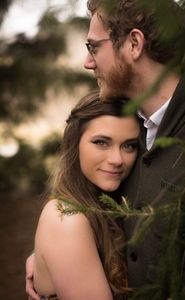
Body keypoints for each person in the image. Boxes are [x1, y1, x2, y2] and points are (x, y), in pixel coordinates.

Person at [26, 0, 185, 299]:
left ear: (134, 44)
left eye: (94, 47)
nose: (87, 62)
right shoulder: (131, 125)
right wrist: (54, 256)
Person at [28, 91, 140, 300]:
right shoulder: (66, 218)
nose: (117, 159)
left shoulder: (110, 204)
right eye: (101, 142)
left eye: (129, 145)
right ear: (74, 143)